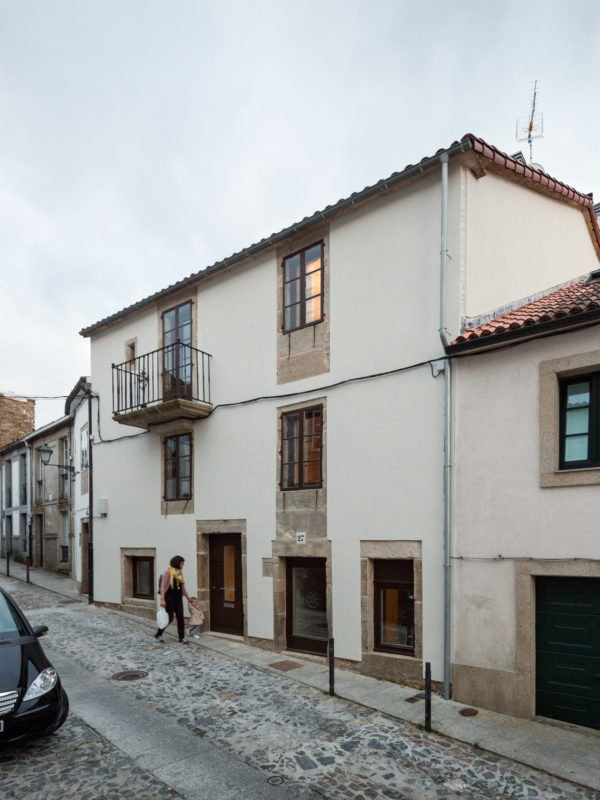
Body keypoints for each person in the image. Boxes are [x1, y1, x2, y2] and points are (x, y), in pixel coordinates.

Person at [155, 555, 192, 644]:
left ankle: (182, 638)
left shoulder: (179, 572)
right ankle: (158, 634)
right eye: (182, 563)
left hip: (178, 599)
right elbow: (163, 587)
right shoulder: (168, 572)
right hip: (169, 598)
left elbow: (182, 586)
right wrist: (162, 600)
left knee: (180, 618)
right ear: (177, 563)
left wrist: (188, 597)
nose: (183, 565)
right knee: (169, 618)